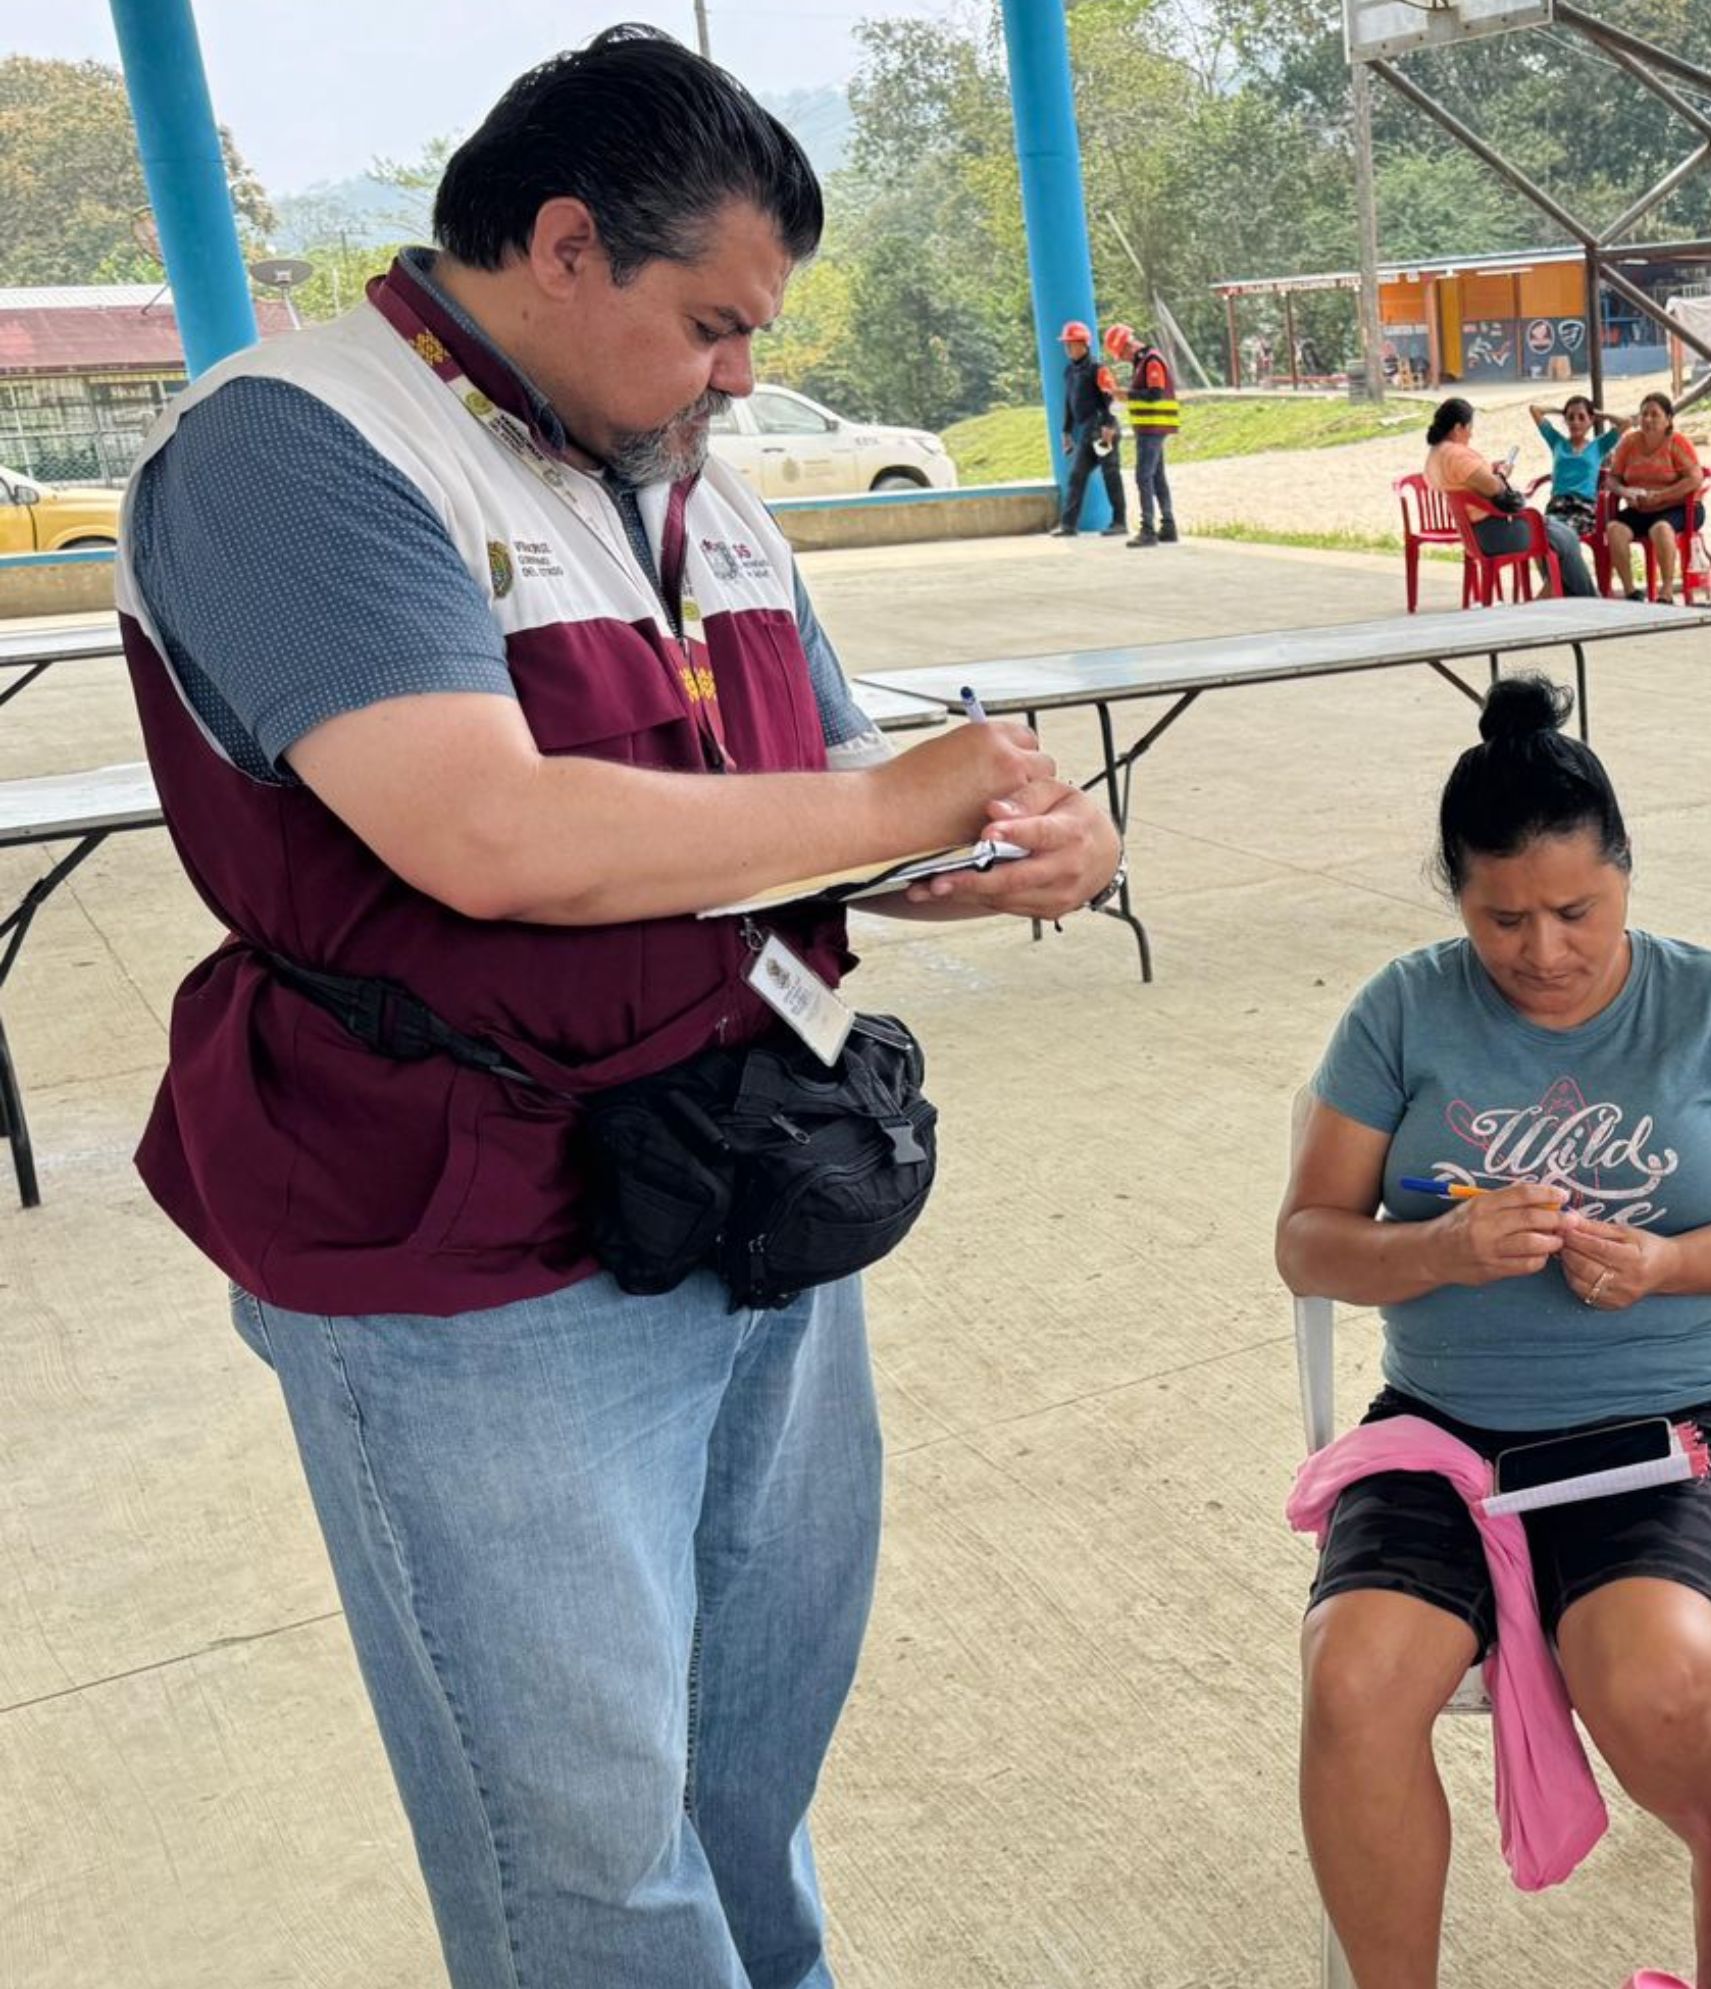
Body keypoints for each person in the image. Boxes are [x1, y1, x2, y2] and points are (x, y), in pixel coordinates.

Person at [112, 28, 1119, 1988]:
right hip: (478, 1250)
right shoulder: (297, 448)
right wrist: (890, 806)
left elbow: (814, 780)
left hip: (748, 1179)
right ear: (566, 245)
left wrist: (983, 842)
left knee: (752, 1750)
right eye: (713, 323)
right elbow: (487, 834)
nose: (741, 375)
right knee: (584, 1846)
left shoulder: (676, 475)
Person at [1277, 676, 1711, 1989]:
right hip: (1444, 1436)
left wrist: (1669, 1264)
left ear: (1625, 877)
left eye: (1577, 912)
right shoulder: (1403, 1009)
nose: (1543, 952)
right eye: (1503, 920)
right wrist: (1436, 1251)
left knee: (1659, 1677)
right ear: (1457, 901)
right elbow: (1308, 1241)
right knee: (1354, 1682)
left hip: (1670, 1427)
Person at [1423, 396, 1593, 601]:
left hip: (1474, 534)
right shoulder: (1456, 455)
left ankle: (1567, 595)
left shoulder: (1435, 455)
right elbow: (1495, 488)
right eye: (1469, 428)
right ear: (1458, 427)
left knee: (1562, 537)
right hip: (1495, 532)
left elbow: (1471, 482)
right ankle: (1586, 599)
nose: (1471, 434)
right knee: (1567, 537)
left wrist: (1490, 471)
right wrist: (1502, 474)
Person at [1605, 393, 1707, 603]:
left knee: (1660, 529)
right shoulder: (1629, 442)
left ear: (1668, 419)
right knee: (1614, 529)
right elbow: (1612, 478)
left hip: (1680, 507)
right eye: (1644, 414)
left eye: (1654, 414)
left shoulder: (1677, 442)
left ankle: (1666, 592)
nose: (1648, 419)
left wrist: (1661, 496)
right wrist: (1624, 492)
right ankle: (1631, 592)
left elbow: (1695, 478)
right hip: (1642, 507)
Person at [1049, 318, 1125, 539]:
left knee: (1110, 474)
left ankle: (1119, 522)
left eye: (1070, 343)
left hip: (1102, 432)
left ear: (1083, 344)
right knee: (1076, 475)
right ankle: (1068, 526)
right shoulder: (1070, 372)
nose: (1067, 348)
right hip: (1087, 434)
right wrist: (1066, 431)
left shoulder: (1098, 369)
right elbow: (1069, 403)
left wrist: (1109, 425)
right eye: (1066, 343)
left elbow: (1112, 399)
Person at [1112, 320, 1181, 545]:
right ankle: (1168, 526)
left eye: (1122, 355)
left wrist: (1128, 394)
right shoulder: (1143, 362)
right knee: (1157, 476)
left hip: (1153, 427)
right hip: (1150, 427)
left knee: (1143, 476)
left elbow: (1155, 393)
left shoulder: (1151, 360)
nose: (1123, 359)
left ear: (1128, 346)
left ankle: (1148, 530)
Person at [1529, 393, 1622, 544]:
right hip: (1557, 506)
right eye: (1571, 417)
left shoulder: (1599, 446)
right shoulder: (1557, 442)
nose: (1575, 422)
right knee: (1541, 533)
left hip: (1583, 508)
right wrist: (1562, 411)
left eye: (1581, 417)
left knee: (1559, 534)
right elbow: (1535, 409)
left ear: (1591, 420)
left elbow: (1626, 422)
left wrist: (1598, 414)